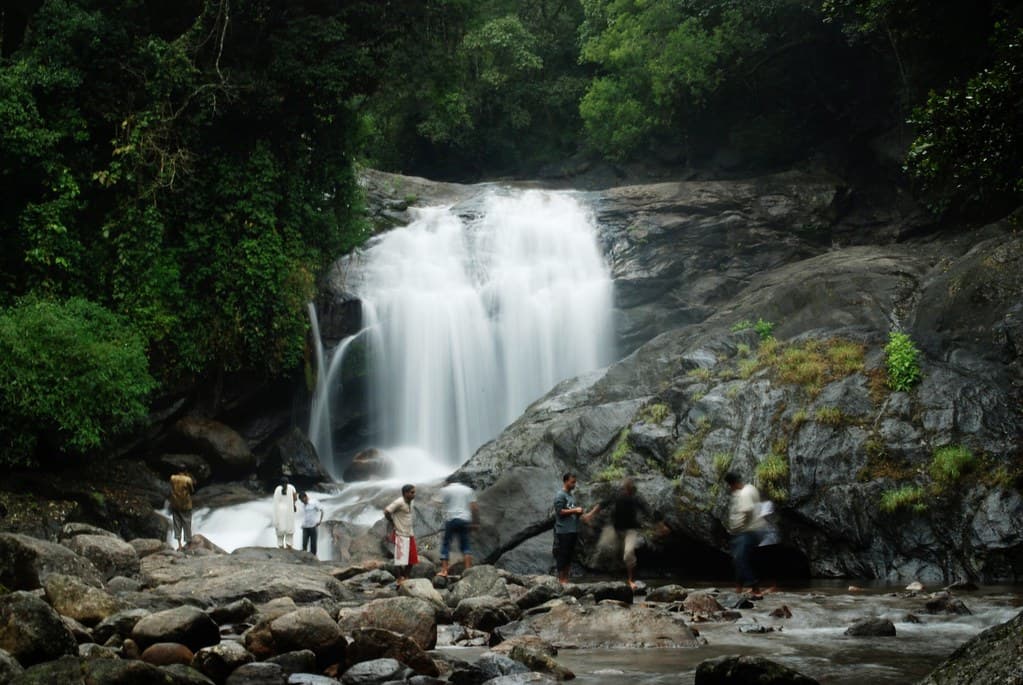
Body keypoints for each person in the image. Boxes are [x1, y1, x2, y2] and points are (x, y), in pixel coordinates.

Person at [589, 477, 662, 589]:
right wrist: (590, 514)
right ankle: (606, 576)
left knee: (628, 553)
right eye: (624, 488)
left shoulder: (636, 498)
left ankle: (630, 580)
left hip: (630, 530)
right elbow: (603, 504)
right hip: (615, 528)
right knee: (604, 547)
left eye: (627, 488)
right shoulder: (617, 495)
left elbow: (647, 510)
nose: (625, 490)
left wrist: (658, 525)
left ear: (631, 489)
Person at [724, 471, 767, 595]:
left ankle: (754, 586)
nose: (731, 488)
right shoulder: (750, 488)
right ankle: (739, 586)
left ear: (734, 484)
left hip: (747, 531)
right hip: (754, 530)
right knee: (738, 558)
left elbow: (747, 511)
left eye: (730, 486)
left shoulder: (744, 494)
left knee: (740, 558)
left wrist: (738, 527)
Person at [553, 472, 598, 584]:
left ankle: (566, 579)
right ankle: (561, 580)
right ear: (566, 481)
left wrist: (579, 513)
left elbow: (570, 511)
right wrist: (574, 510)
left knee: (570, 555)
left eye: (575, 482)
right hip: (564, 530)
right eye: (572, 482)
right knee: (563, 554)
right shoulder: (560, 495)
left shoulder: (570, 496)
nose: (574, 485)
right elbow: (559, 512)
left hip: (573, 530)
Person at [437, 475, 479, 577]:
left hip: (451, 519)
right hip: (465, 520)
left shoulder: (446, 490)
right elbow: (474, 508)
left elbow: (438, 502)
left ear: (449, 482)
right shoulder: (468, 490)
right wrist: (475, 522)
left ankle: (444, 570)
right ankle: (468, 570)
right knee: (465, 545)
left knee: (446, 544)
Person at [384, 483, 418, 584]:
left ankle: (406, 577)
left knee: (412, 558)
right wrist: (392, 521)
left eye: (414, 492)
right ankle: (399, 579)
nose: (414, 494)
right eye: (412, 492)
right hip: (400, 533)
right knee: (400, 559)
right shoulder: (399, 502)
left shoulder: (411, 502)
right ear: (405, 493)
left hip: (410, 532)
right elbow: (387, 511)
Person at [169, 470, 196, 550]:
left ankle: (179, 545)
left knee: (177, 524)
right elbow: (192, 491)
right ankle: (188, 543)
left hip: (175, 504)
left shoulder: (172, 478)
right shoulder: (187, 479)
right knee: (186, 523)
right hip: (185, 504)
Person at [272, 477, 298, 549]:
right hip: (289, 509)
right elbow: (295, 498)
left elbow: (275, 501)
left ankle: (280, 545)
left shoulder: (277, 489)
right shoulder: (291, 487)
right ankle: (288, 544)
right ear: (288, 482)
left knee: (280, 527)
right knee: (289, 526)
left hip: (279, 511)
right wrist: (294, 505)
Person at [299, 491, 324, 556]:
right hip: (305, 527)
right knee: (304, 543)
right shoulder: (302, 505)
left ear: (306, 497)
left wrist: (320, 521)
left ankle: (313, 559)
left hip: (313, 526)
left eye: (303, 500)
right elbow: (303, 515)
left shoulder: (314, 502)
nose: (303, 502)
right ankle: (304, 558)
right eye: (301, 501)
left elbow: (322, 510)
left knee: (313, 545)